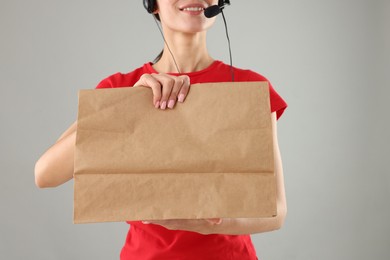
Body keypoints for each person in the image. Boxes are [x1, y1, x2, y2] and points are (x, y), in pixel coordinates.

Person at [35, 0, 288, 259]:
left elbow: (276, 211)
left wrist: (208, 224)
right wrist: (127, 105)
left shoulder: (250, 88)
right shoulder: (121, 88)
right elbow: (45, 174)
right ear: (153, 4)